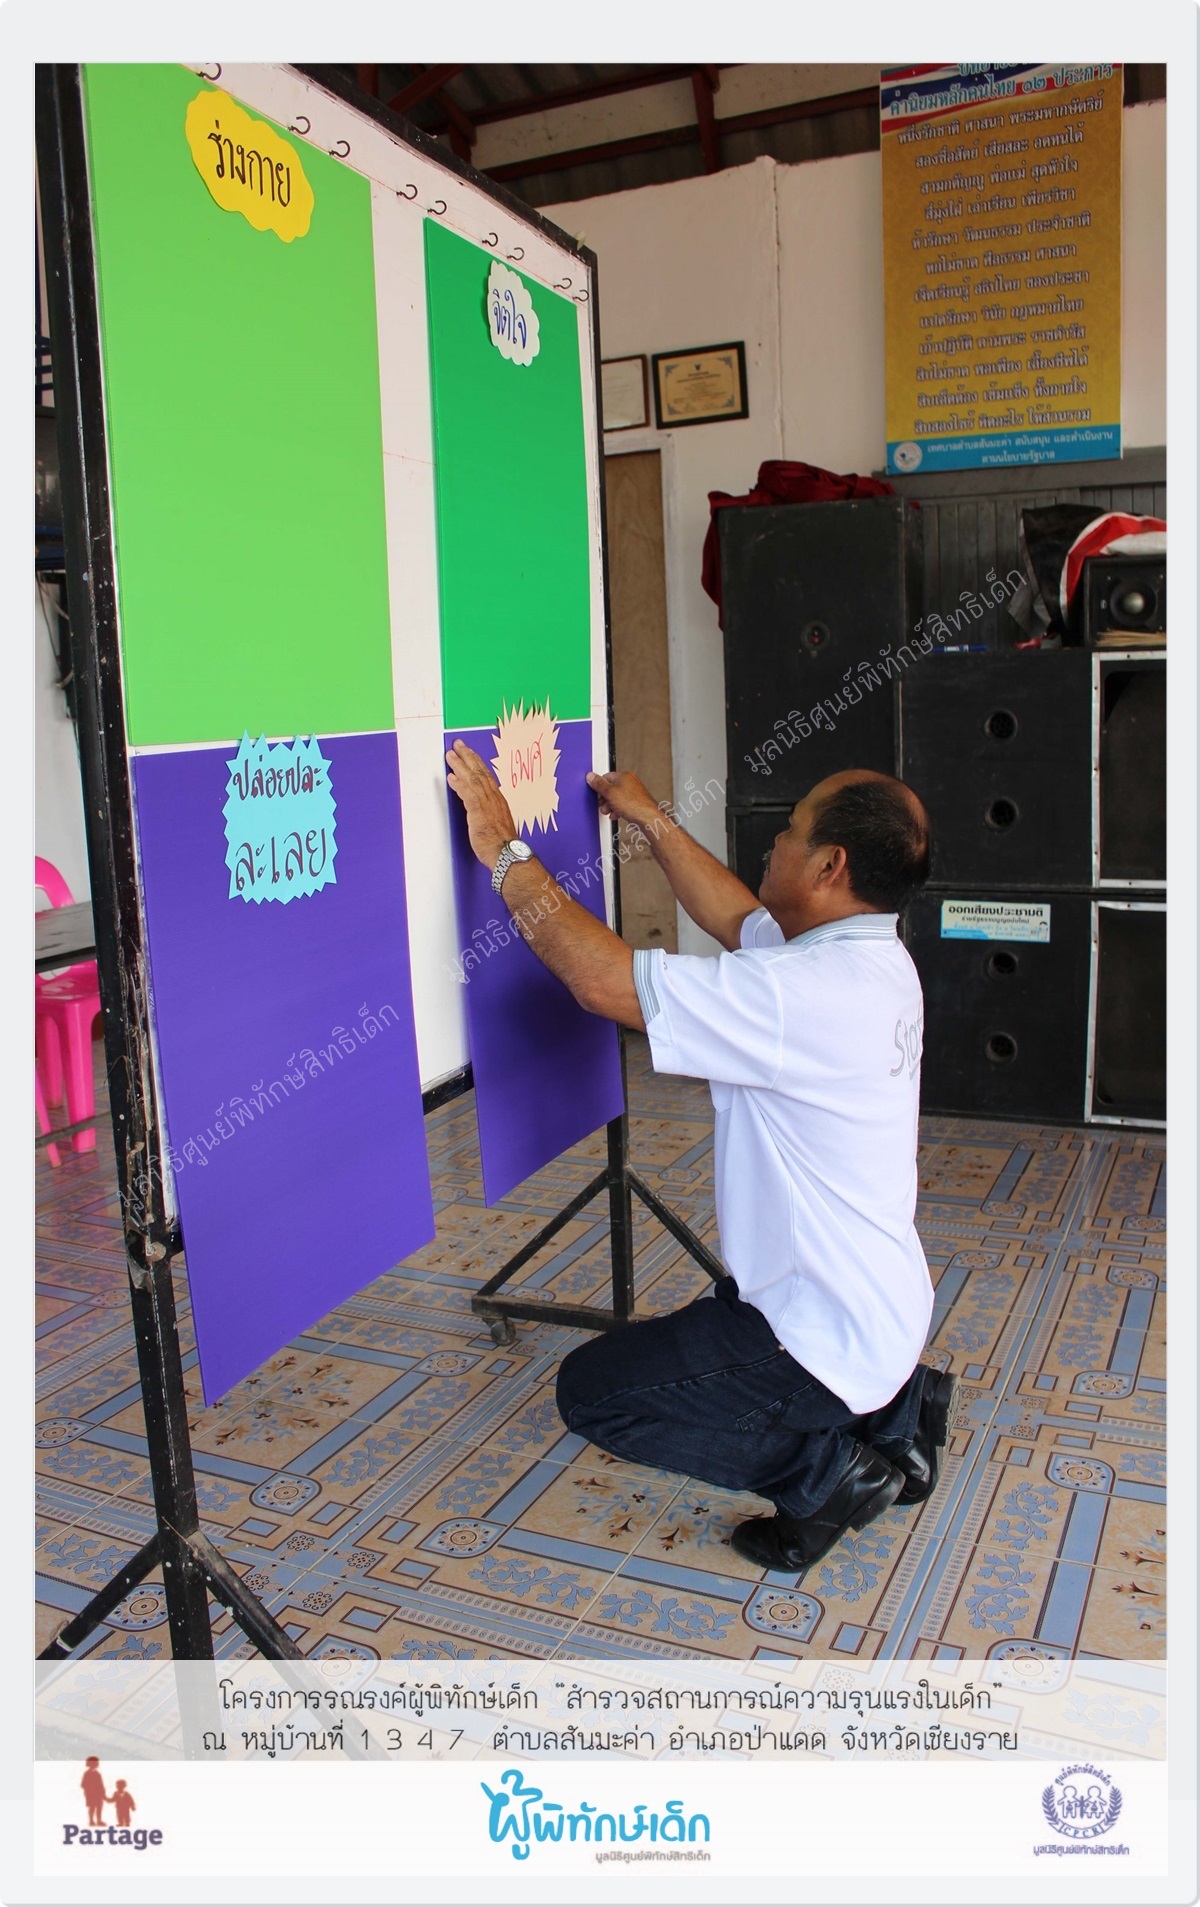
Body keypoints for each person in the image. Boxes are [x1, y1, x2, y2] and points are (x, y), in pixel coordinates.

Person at [446, 742, 955, 1571]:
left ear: (830, 865)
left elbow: (604, 981)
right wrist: (648, 818)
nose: (773, 840)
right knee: (707, 1342)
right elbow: (740, 919)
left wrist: (503, 850)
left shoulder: (802, 993)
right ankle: (900, 1417)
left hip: (816, 1333)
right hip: (886, 1307)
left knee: (595, 1394)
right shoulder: (868, 956)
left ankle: (824, 1473)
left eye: (791, 830)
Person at [80, 1756, 106, 1825]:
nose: (98, 1764)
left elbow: (101, 1784)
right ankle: (91, 1821)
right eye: (96, 1763)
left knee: (99, 1807)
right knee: (92, 1807)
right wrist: (90, 1790)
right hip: (91, 1794)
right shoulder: (87, 1773)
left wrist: (103, 1793)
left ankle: (99, 1821)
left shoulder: (98, 1774)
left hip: (99, 1794)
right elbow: (83, 1784)